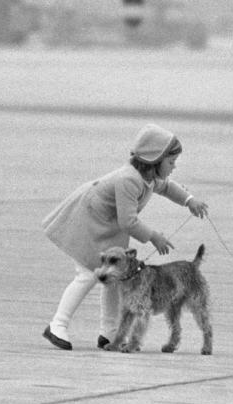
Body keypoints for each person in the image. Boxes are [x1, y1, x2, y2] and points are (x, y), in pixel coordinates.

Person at [41, 123, 209, 351]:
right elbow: (128, 221)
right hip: (90, 223)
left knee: (114, 281)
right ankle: (57, 324)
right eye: (171, 162)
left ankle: (110, 333)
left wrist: (189, 200)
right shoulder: (129, 180)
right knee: (87, 274)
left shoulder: (149, 178)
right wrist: (153, 237)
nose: (174, 167)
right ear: (155, 160)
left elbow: (168, 187)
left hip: (108, 227)